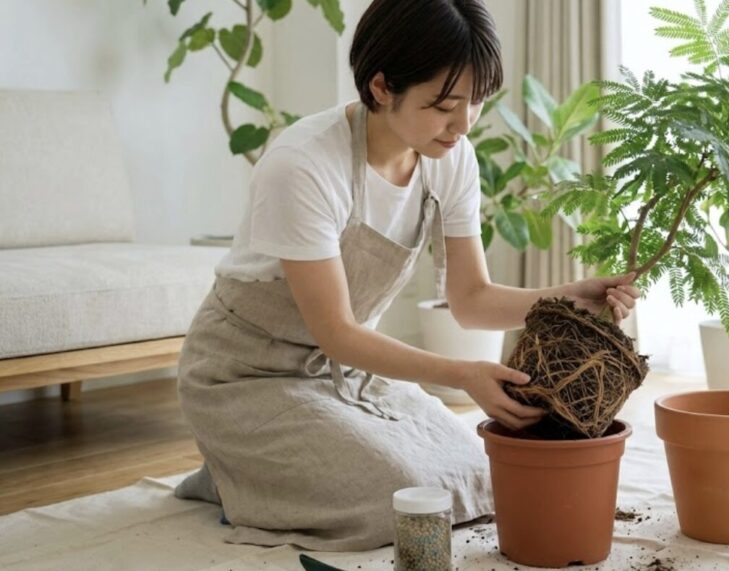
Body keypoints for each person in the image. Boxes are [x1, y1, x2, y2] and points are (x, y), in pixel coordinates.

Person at [173, 0, 641, 551]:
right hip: (245, 378)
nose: (463, 124)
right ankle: (238, 476)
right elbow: (338, 332)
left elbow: (471, 299)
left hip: (346, 373)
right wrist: (465, 373)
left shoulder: (449, 155)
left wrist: (569, 297)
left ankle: (271, 468)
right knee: (391, 499)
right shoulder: (302, 164)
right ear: (380, 88)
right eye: (444, 105)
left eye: (476, 102)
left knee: (477, 477)